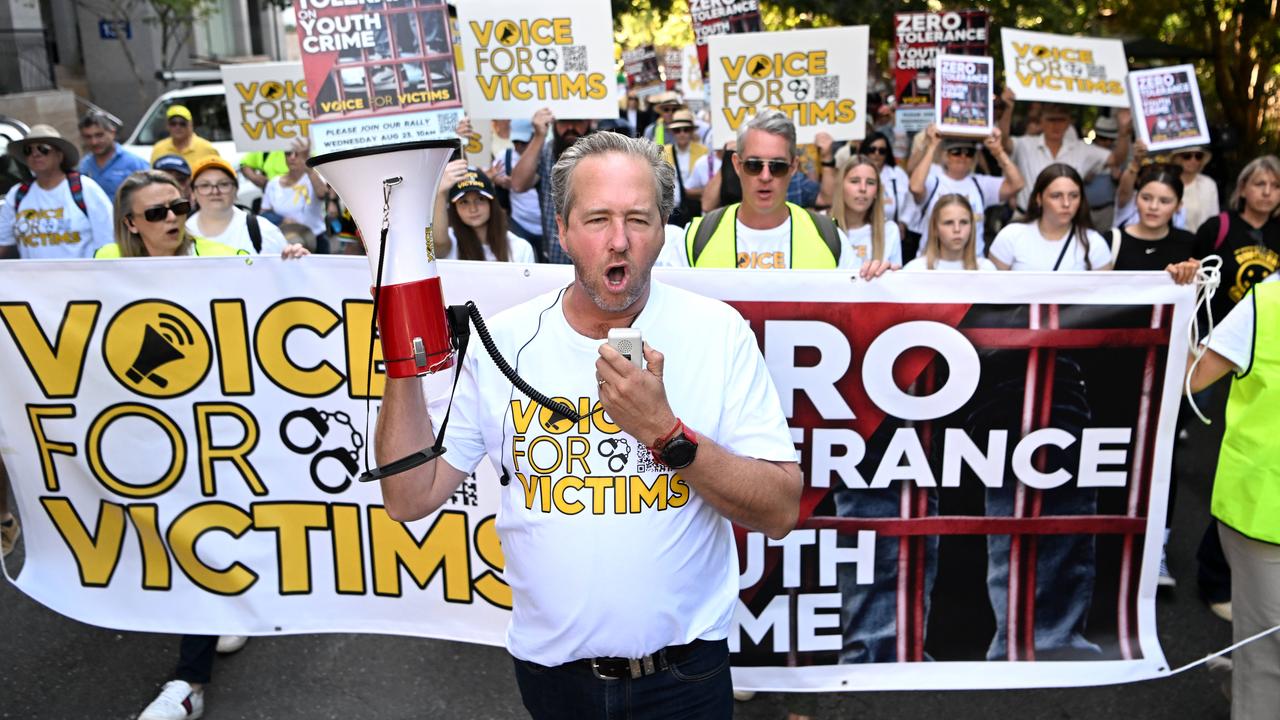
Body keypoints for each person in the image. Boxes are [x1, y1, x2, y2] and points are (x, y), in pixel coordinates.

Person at [373, 130, 801, 718]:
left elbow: (779, 509)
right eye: (598, 218)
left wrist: (667, 435)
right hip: (554, 678)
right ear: (564, 228)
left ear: (665, 229)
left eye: (639, 219)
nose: (619, 241)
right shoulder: (504, 339)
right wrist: (402, 361)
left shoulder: (717, 332)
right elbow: (408, 495)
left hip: (684, 677)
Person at [1189, 155, 1280, 620]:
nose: (1267, 192)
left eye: (1274, 185)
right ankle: (1207, 572)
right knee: (1185, 417)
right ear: (1243, 188)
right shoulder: (1219, 229)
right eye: (1259, 184)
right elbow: (1193, 376)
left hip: (1249, 359)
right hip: (1222, 344)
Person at [1186, 276, 1280, 720]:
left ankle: (1238, 679)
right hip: (1263, 511)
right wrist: (1177, 301)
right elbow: (1193, 376)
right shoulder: (1266, 301)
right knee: (1269, 654)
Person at [674, 109, 848, 270]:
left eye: (777, 166)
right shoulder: (695, 238)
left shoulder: (830, 238)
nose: (765, 176)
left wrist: (873, 277)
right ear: (736, 164)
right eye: (753, 165)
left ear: (793, 167)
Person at [999, 92, 1130, 214]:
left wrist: (1124, 132)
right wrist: (1007, 110)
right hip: (1027, 218)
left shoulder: (1082, 149)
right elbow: (1003, 142)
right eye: (1051, 119)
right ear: (1041, 122)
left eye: (1061, 120)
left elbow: (1116, 159)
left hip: (1066, 221)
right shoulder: (1025, 144)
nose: (1056, 125)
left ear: (1068, 123)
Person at [907, 124, 1023, 258]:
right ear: (945, 156)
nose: (963, 157)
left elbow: (1017, 184)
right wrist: (932, 146)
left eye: (969, 153)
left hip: (972, 265)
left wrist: (998, 151)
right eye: (956, 152)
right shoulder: (934, 180)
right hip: (932, 263)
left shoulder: (980, 183)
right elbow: (915, 187)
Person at [0, 123, 113, 260]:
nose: (35, 154)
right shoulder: (16, 195)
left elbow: (107, 242)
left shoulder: (85, 189)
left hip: (82, 280)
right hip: (32, 280)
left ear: (60, 155)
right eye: (28, 150)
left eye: (43, 149)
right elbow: (4, 243)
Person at [990, 163, 1112, 272]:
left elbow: (1104, 294)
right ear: (1039, 198)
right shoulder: (1011, 235)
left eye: (1074, 196)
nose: (1066, 203)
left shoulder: (1094, 243)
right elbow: (992, 289)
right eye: (1056, 195)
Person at [509, 107, 594, 262]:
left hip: (595, 253)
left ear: (589, 122)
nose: (570, 128)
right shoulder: (547, 151)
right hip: (556, 256)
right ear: (554, 123)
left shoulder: (602, 153)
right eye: (564, 122)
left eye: (576, 122)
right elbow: (518, 184)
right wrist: (539, 136)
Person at [186, 157, 294, 255]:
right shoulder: (181, 234)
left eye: (223, 184)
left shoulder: (264, 231)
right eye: (205, 185)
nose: (215, 191)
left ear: (236, 189)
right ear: (193, 192)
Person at [431, 161, 535, 262]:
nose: (473, 209)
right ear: (454, 208)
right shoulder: (450, 241)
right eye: (464, 202)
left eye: (480, 199)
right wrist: (439, 193)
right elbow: (438, 244)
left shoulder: (520, 248)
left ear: (492, 203)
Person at [830, 153, 903, 266]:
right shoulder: (821, 227)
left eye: (870, 183)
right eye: (855, 181)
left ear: (877, 192)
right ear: (840, 186)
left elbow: (894, 282)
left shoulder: (889, 230)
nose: (863, 189)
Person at [260, 139, 329, 253]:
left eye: (297, 154)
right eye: (288, 153)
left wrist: (309, 169)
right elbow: (263, 214)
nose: (292, 157)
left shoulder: (313, 177)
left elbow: (323, 194)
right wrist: (281, 220)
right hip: (286, 241)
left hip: (316, 241)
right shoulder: (273, 183)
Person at [903, 194, 997, 271]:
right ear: (935, 228)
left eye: (964, 222)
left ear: (972, 227)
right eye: (948, 223)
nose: (957, 229)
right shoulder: (915, 270)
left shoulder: (986, 270)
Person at [492, 119, 544, 251]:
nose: (518, 146)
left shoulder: (546, 154)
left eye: (523, 142)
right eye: (515, 142)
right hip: (519, 224)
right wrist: (498, 180)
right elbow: (489, 175)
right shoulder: (505, 156)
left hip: (547, 227)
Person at [77, 110, 148, 200]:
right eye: (88, 137)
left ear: (112, 133)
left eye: (99, 135)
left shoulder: (135, 163)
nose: (94, 142)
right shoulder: (84, 165)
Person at [662, 108, 707, 228]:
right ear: (672, 132)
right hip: (673, 210)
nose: (682, 134)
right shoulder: (663, 152)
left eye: (686, 130)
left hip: (696, 207)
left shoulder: (703, 151)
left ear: (692, 131)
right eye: (677, 130)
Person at [149, 105, 220, 166]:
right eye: (173, 123)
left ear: (191, 125)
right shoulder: (158, 149)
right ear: (167, 126)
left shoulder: (206, 149)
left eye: (182, 123)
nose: (178, 127)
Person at [1172, 146, 1220, 233]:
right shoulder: (1167, 183)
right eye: (1187, 156)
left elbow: (1214, 217)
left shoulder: (1208, 184)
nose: (1193, 160)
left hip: (1201, 241)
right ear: (1177, 159)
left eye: (1198, 156)